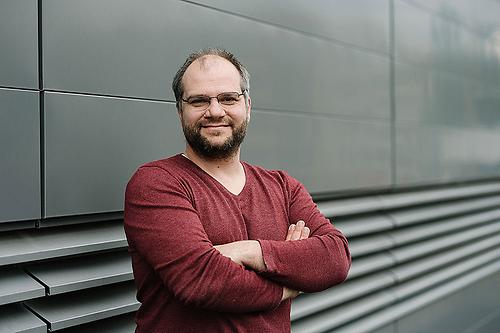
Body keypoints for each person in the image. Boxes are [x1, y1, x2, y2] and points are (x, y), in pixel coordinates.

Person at [124, 48, 351, 332]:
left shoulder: (282, 187)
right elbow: (200, 280)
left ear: (248, 106)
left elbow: (335, 257)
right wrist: (287, 284)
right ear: (180, 110)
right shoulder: (157, 183)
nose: (215, 111)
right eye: (199, 100)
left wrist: (249, 251)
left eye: (228, 98)